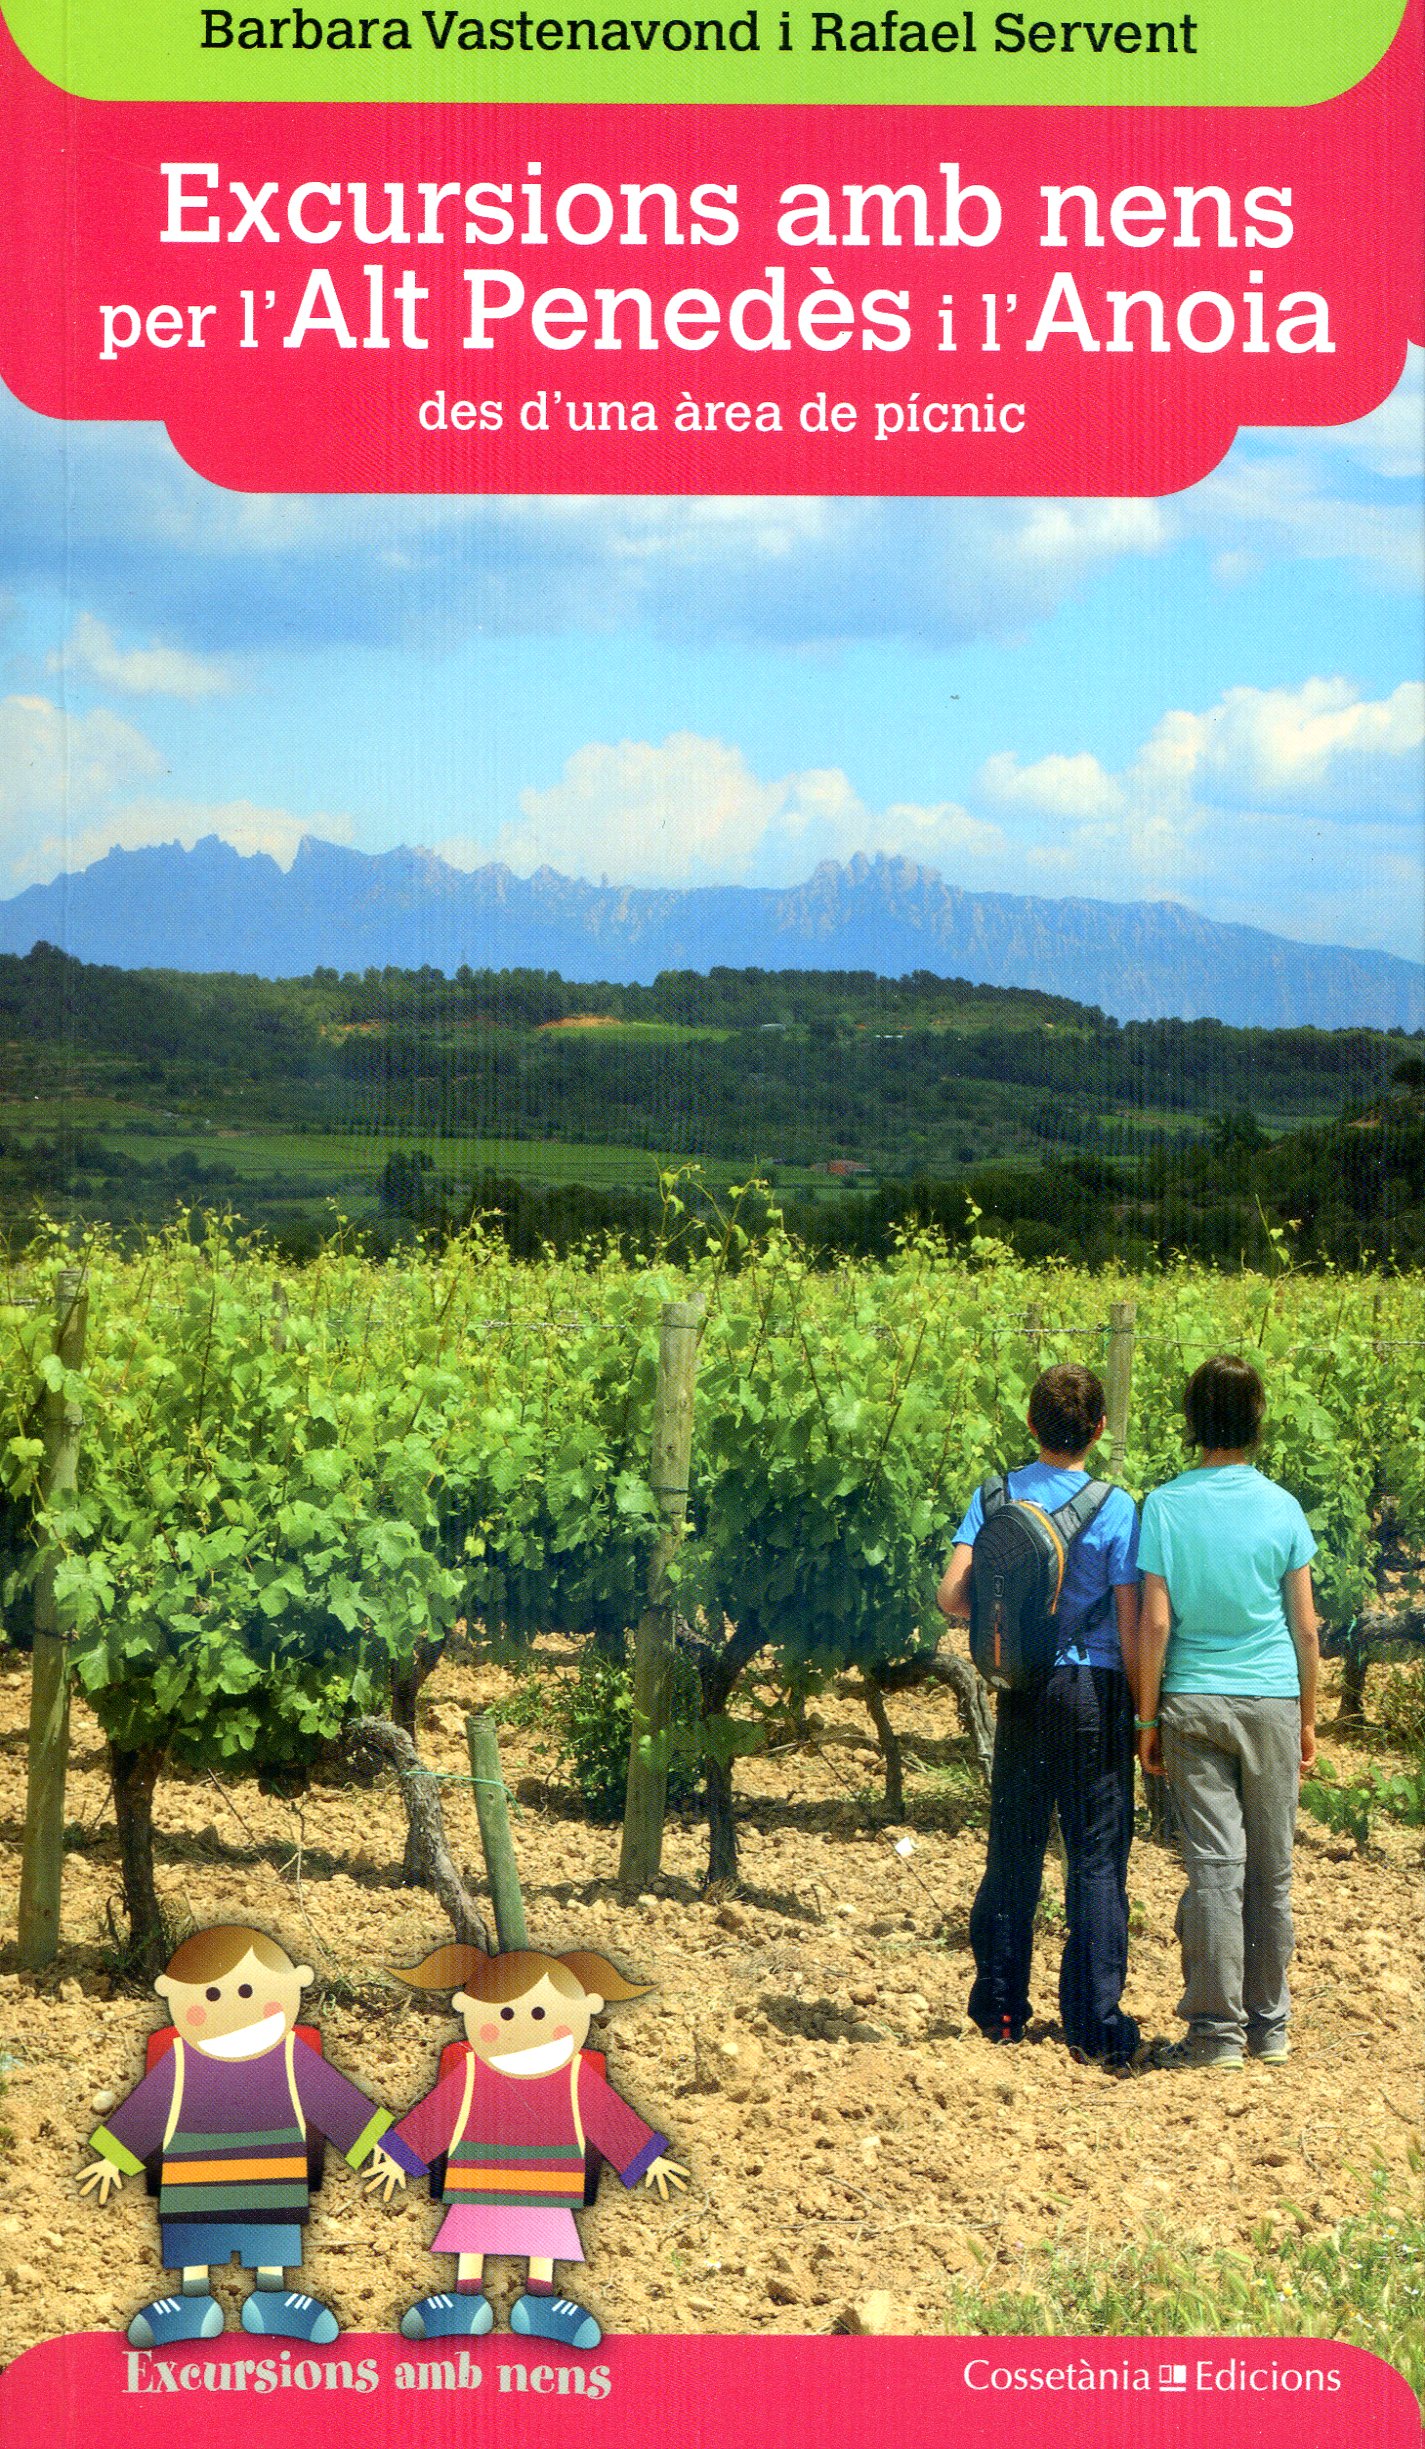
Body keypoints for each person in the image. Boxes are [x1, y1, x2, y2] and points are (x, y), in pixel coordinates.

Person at [937, 1363, 1142, 2070]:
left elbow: (951, 1597)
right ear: (1100, 1429)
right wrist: (1140, 1710)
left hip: (1021, 1684)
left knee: (1013, 1850)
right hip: (1092, 1690)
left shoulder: (995, 1495)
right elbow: (1128, 1617)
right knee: (1095, 1856)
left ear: (1030, 1424)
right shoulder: (1115, 1506)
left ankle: (999, 2010)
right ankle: (1093, 2023)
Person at [80, 1923, 421, 2347]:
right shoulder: (179, 2060)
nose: (233, 2007)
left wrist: (386, 2148)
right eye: (211, 1995)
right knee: (195, 2243)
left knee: (270, 2243)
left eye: (247, 1992)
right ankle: (193, 2305)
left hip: (272, 2181)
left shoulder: (293, 2056)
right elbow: (146, 2112)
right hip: (194, 2184)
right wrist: (115, 2158)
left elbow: (340, 2107)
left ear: (291, 1986)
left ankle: (272, 2302)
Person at [1136, 1353, 1318, 2071]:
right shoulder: (1282, 1506)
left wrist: (1146, 1718)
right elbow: (1305, 1628)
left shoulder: (1164, 1505)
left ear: (1191, 1419)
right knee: (1272, 1868)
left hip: (1191, 1699)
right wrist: (1308, 1718)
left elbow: (1155, 1623)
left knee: (1214, 1867)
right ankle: (1269, 2029)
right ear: (1256, 1419)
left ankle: (1215, 2034)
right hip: (1273, 1700)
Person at [389, 1943, 688, 2349]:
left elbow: (611, 2119)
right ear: (468, 2009)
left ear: (583, 2011)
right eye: (505, 2014)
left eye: (541, 2014)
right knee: (473, 2237)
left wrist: (646, 2157)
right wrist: (401, 2156)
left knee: (542, 2241)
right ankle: (465, 2301)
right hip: (479, 2178)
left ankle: (539, 2306)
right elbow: (436, 2116)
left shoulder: (577, 2075)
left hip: (548, 2183)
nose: (524, 2029)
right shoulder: (471, 2071)